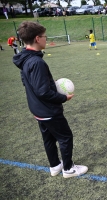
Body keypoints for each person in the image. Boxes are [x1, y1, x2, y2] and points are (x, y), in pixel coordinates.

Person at [12, 21, 88, 178]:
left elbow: (28, 82)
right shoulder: (37, 62)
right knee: (65, 137)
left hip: (37, 109)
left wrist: (48, 84)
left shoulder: (25, 59)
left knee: (48, 138)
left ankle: (55, 166)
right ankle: (68, 169)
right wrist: (63, 97)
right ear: (38, 38)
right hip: (48, 110)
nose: (46, 39)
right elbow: (43, 92)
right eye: (45, 36)